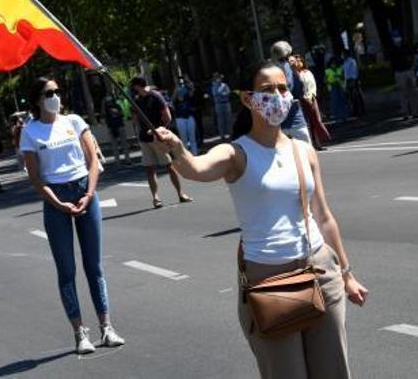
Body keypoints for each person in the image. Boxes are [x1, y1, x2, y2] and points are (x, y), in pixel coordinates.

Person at [151, 60, 368, 378]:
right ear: (247, 98)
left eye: (283, 88)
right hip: (269, 279)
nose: (278, 96)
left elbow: (323, 215)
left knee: (334, 371)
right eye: (267, 90)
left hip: (321, 268)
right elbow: (195, 168)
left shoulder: (303, 150)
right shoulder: (235, 153)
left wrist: (347, 274)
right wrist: (178, 150)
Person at [20, 77, 126, 354]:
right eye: (48, 93)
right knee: (67, 270)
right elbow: (35, 178)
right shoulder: (30, 132)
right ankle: (80, 332)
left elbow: (92, 161)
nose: (55, 96)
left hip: (84, 191)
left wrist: (89, 194)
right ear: (38, 100)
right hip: (56, 199)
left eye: (57, 91)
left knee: (94, 266)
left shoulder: (75, 122)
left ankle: (107, 327)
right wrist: (58, 203)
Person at [130, 76, 193, 209]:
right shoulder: (136, 100)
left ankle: (181, 194)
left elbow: (167, 116)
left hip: (158, 138)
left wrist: (161, 131)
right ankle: (156, 198)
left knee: (169, 166)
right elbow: (135, 119)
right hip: (144, 139)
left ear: (137, 86)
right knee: (149, 169)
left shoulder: (155, 96)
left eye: (134, 86)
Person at [270, 41, 311, 142]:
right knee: (306, 152)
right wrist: (295, 71)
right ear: (288, 53)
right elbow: (298, 90)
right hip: (294, 117)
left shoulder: (270, 69)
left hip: (279, 120)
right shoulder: (288, 67)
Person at [292, 54, 330, 150]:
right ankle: (309, 145)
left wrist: (311, 95)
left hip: (311, 99)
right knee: (305, 123)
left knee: (316, 120)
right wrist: (303, 97)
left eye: (300, 61)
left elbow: (313, 85)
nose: (298, 63)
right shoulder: (293, 74)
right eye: (296, 61)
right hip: (300, 100)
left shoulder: (307, 72)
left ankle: (319, 143)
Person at [389, 40, 418, 120]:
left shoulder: (406, 46)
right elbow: (391, 61)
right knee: (403, 93)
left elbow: (412, 56)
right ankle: (405, 113)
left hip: (409, 70)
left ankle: (415, 112)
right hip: (399, 72)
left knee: (413, 92)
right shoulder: (392, 49)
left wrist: (413, 67)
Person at [172, 77, 199, 154]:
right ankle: (187, 155)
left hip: (189, 116)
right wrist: (176, 89)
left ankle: (195, 154)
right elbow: (173, 100)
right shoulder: (176, 92)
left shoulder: (188, 91)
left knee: (192, 138)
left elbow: (192, 91)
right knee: (184, 139)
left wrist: (187, 80)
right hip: (180, 118)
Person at [103, 95, 132, 165]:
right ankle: (117, 160)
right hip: (111, 127)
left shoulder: (117, 106)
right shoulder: (105, 109)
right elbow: (104, 117)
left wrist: (116, 112)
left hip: (120, 125)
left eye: (110, 101)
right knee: (114, 145)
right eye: (107, 102)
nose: (109, 103)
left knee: (124, 143)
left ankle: (127, 159)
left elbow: (122, 114)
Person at [325, 57, 348, 123]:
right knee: (335, 102)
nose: (333, 65)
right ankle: (337, 117)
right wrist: (330, 82)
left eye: (334, 63)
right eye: (332, 64)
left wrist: (339, 77)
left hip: (340, 86)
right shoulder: (327, 70)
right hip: (332, 87)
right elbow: (325, 80)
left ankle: (344, 116)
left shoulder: (340, 69)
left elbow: (343, 77)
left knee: (342, 101)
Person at [211, 72, 233, 140]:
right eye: (218, 78)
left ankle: (230, 133)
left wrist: (222, 93)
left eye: (220, 78)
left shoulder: (225, 85)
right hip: (219, 104)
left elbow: (228, 92)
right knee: (220, 120)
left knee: (228, 119)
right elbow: (216, 94)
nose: (219, 79)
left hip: (226, 103)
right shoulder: (214, 86)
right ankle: (222, 135)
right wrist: (223, 93)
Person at [342, 52, 364, 116]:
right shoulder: (345, 62)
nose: (343, 56)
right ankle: (355, 110)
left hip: (353, 79)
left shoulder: (352, 61)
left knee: (356, 95)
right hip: (348, 80)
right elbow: (344, 72)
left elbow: (354, 71)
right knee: (351, 97)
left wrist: (354, 80)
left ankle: (360, 110)